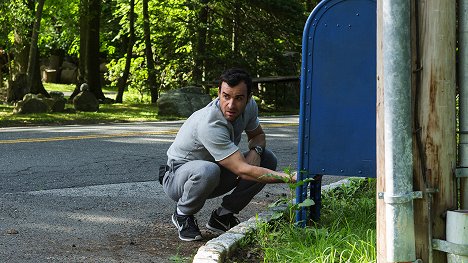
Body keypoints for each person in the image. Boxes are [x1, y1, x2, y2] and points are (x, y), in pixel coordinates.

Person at [160, 68, 296, 241]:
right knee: (208, 170)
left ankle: (222, 216)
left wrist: (256, 151)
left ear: (248, 98)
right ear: (219, 94)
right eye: (226, 96)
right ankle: (182, 214)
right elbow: (242, 170)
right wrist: (291, 178)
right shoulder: (210, 123)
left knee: (267, 158)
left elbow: (258, 136)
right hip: (178, 178)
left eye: (239, 98)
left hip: (217, 171)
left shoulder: (250, 107)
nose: (231, 105)